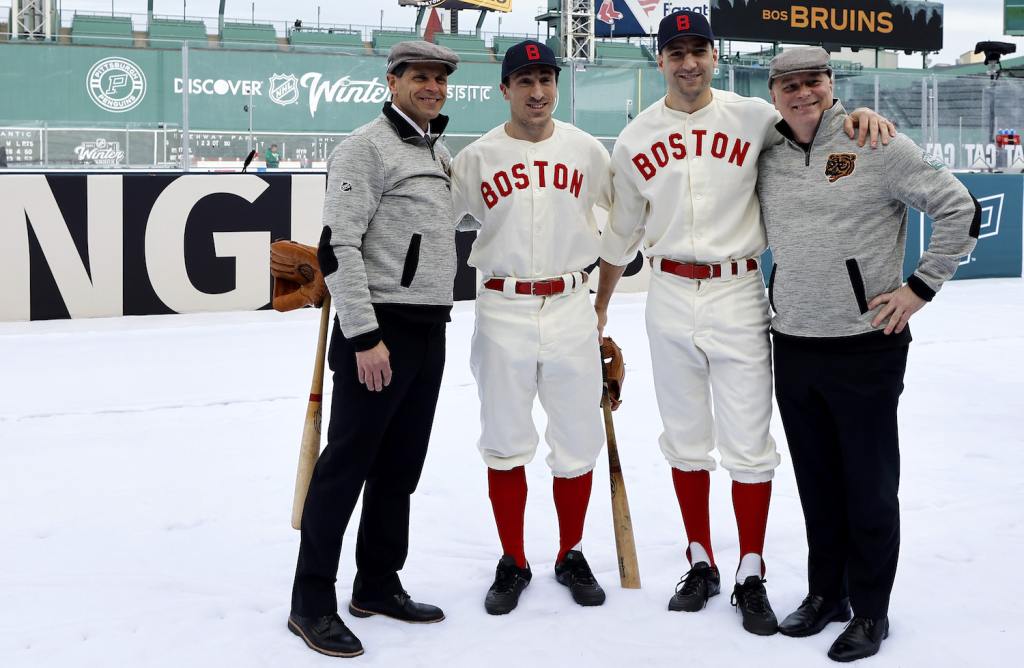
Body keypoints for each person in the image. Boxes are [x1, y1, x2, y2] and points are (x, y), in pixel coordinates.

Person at [594, 11, 895, 637]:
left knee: (749, 441)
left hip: (738, 289)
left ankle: (750, 568)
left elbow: (819, 119)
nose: (688, 62)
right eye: (675, 52)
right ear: (661, 62)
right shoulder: (634, 137)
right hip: (669, 289)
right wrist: (597, 309)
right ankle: (700, 560)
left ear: (713, 55)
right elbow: (621, 234)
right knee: (684, 435)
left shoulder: (755, 117)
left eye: (698, 50)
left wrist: (861, 113)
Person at [757, 47, 979, 662]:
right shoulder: (767, 152)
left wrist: (920, 287)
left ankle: (872, 611)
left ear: (832, 86)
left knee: (870, 487)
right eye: (789, 85)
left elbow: (959, 208)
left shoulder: (876, 144)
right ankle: (827, 595)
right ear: (773, 92)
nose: (801, 94)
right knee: (817, 483)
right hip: (794, 342)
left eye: (813, 82)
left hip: (865, 347)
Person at [287, 40, 460, 658]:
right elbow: (339, 246)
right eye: (420, 76)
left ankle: (378, 584)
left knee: (399, 470)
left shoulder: (435, 149)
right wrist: (363, 336)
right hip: (379, 332)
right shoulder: (363, 148)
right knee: (345, 470)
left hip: (428, 328)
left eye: (439, 78)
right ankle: (310, 603)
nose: (431, 87)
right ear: (392, 81)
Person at [450, 40, 613, 615]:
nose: (538, 91)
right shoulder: (476, 158)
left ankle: (570, 552)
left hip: (571, 302)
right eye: (525, 81)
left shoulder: (587, 150)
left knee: (576, 440)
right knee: (505, 439)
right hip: (502, 306)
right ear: (505, 90)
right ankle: (513, 559)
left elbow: (629, 217)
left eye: (546, 79)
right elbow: (430, 218)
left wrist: (603, 304)